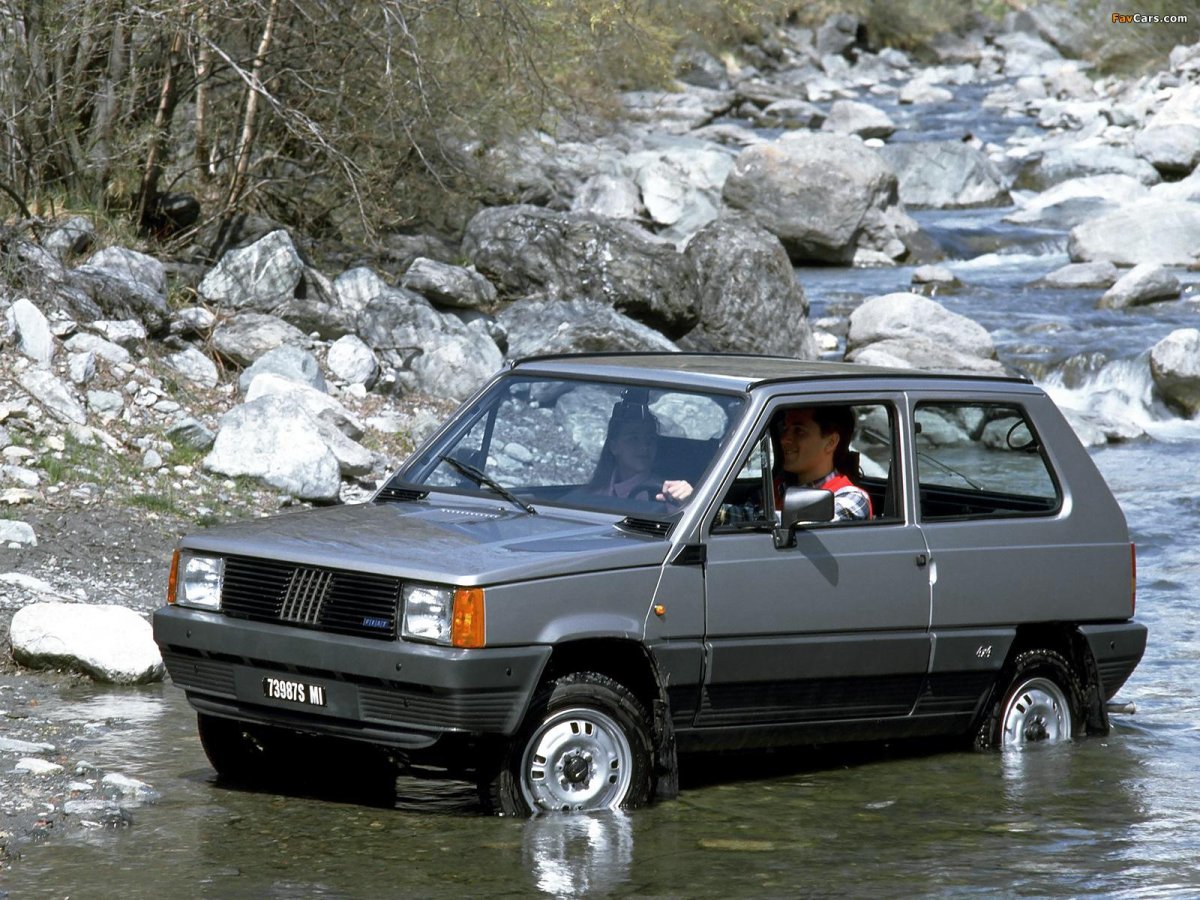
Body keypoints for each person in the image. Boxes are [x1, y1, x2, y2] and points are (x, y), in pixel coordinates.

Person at [773, 406, 872, 522]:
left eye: (799, 431)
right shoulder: (777, 487)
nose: (784, 439)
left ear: (831, 442)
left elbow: (808, 529)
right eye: (785, 429)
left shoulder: (853, 498)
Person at [587, 401, 693, 504]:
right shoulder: (591, 494)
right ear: (614, 447)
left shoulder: (666, 494)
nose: (644, 447)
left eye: (650, 439)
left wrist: (689, 500)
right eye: (633, 439)